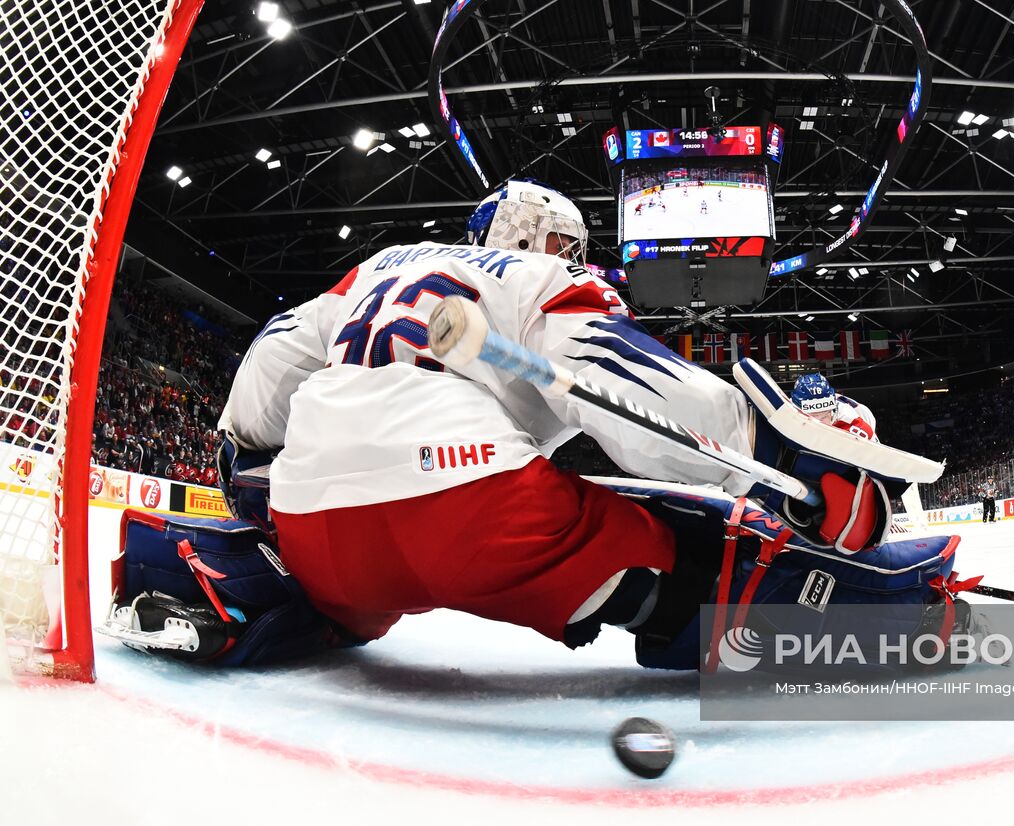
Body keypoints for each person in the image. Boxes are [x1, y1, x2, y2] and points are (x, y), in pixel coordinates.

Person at [208, 179, 900, 662]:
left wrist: (245, 456)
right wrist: (774, 457)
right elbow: (620, 385)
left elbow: (272, 357)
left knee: (373, 568)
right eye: (567, 243)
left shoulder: (375, 268)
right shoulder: (537, 278)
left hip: (317, 537)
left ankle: (292, 599)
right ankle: (822, 622)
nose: (574, 257)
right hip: (470, 514)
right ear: (538, 238)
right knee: (685, 552)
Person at [790, 372, 876, 441]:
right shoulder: (789, 407)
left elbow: (877, 454)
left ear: (834, 410)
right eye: (813, 416)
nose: (818, 422)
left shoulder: (854, 422)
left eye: (824, 416)